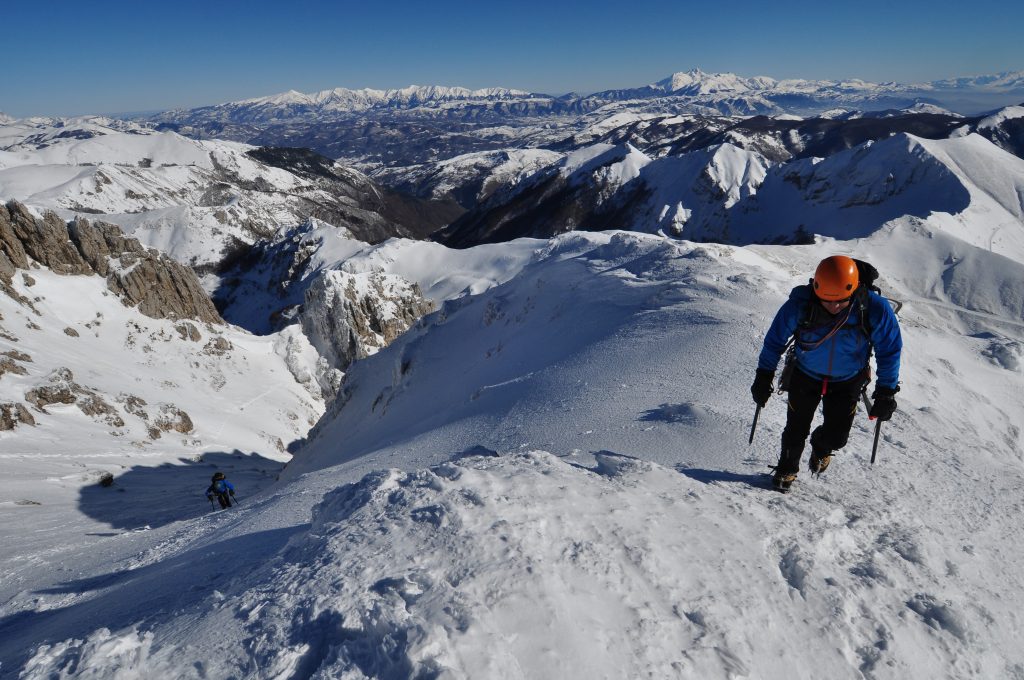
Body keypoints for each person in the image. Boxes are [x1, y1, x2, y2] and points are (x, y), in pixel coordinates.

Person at [751, 255, 902, 492]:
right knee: (795, 427)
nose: (833, 307)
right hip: (804, 374)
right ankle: (786, 468)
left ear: (853, 291)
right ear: (816, 288)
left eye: (841, 302)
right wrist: (763, 375)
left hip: (848, 380)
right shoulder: (800, 305)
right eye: (826, 301)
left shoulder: (874, 309)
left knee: (837, 437)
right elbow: (774, 341)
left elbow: (889, 350)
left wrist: (886, 392)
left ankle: (821, 447)